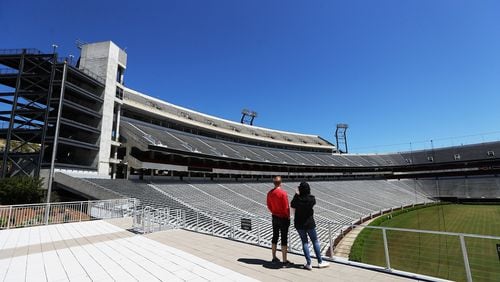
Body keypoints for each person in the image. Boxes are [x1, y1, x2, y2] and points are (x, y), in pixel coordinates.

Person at [291, 181, 330, 270]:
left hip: (299, 224)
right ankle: (320, 262)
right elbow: (311, 201)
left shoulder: (297, 200)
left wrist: (296, 194)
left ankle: (309, 263)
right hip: (309, 223)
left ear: (300, 189)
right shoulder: (312, 199)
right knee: (315, 241)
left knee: (304, 242)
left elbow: (292, 204)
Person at [266, 176, 292, 267]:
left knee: (275, 236)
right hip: (283, 218)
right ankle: (284, 261)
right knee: (284, 238)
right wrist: (288, 217)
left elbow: (268, 206)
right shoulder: (283, 193)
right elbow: (286, 208)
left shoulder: (270, 193)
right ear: (281, 183)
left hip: (275, 217)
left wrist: (274, 211)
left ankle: (274, 257)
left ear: (274, 183)